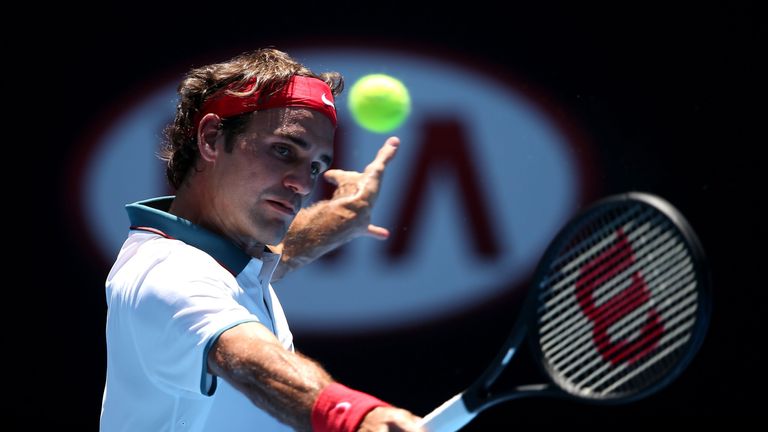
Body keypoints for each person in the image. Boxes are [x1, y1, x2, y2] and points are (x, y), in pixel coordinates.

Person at [100, 48, 423, 432]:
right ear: (211, 137)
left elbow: (270, 259)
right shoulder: (169, 273)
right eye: (283, 150)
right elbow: (252, 363)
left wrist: (340, 218)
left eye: (316, 166)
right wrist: (355, 417)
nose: (304, 184)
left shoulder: (220, 255)